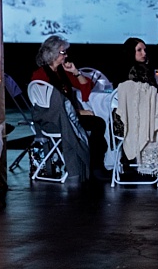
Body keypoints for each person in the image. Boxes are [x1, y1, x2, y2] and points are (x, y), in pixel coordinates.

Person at [30, 35, 109, 181]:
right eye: (63, 53)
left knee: (97, 123)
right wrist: (79, 111)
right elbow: (50, 106)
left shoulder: (63, 72)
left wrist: (76, 72)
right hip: (54, 120)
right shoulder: (39, 76)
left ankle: (94, 165)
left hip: (68, 116)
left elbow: (86, 89)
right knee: (97, 124)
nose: (66, 56)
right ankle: (92, 165)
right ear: (52, 53)